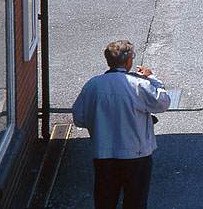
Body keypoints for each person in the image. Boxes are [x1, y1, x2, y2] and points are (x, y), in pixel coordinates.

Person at [72, 40, 171, 209]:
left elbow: (79, 118)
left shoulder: (93, 85)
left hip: (104, 153)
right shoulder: (139, 84)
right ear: (129, 62)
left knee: (105, 201)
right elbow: (162, 102)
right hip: (136, 154)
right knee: (135, 201)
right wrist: (152, 78)